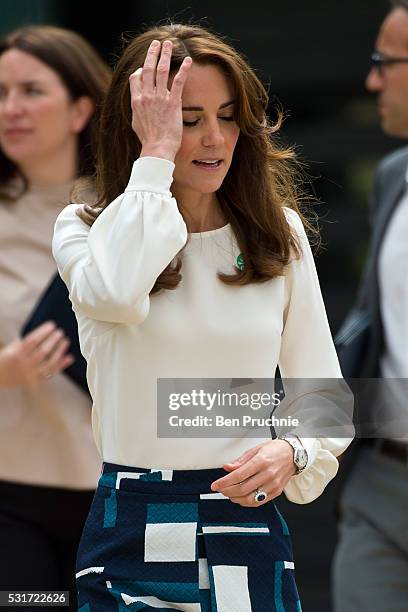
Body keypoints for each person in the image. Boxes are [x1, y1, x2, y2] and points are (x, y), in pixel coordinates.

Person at [52, 24, 352, 611]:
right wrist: (156, 159)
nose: (214, 138)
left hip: (245, 518)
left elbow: (324, 396)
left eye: (229, 115)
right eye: (187, 119)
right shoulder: (85, 230)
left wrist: (293, 450)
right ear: (139, 125)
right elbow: (115, 294)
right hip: (132, 518)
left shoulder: (278, 234)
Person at [0, 25, 110, 610]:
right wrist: (4, 370)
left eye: (31, 91)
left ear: (79, 110)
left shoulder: (131, 211)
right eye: (1, 93)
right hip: (12, 498)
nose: (11, 108)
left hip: (120, 496)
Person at [332, 2, 408, 611]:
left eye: (384, 63)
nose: (372, 81)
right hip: (383, 480)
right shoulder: (391, 177)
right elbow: (370, 327)